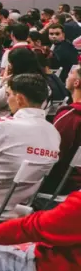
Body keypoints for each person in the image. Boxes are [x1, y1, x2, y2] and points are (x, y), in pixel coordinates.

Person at [0, 73, 61, 214]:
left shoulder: (4, 126)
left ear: (19, 99)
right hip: (18, 205)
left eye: (8, 95)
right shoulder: (54, 133)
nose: (7, 100)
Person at [45, 67, 81, 195]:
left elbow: (54, 152)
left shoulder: (70, 115)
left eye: (70, 73)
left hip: (65, 182)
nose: (67, 75)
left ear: (76, 83)